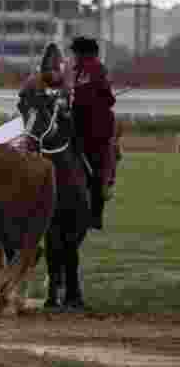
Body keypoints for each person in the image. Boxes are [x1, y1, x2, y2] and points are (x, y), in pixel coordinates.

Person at [69, 36, 116, 230]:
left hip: (93, 130)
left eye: (75, 53)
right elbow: (107, 98)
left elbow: (89, 99)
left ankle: (95, 217)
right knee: (92, 171)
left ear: (82, 53)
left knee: (95, 171)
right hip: (85, 126)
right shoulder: (86, 69)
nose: (73, 57)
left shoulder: (92, 68)